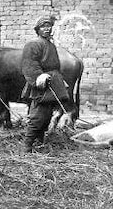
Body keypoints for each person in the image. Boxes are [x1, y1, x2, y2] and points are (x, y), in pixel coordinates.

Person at [21, 16, 69, 153]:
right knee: (37, 116)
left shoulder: (51, 45)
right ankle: (27, 146)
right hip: (40, 84)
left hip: (52, 83)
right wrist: (38, 77)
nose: (47, 28)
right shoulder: (33, 44)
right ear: (37, 29)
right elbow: (29, 64)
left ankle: (39, 143)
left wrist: (60, 79)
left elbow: (55, 66)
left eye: (49, 26)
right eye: (43, 26)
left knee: (47, 116)